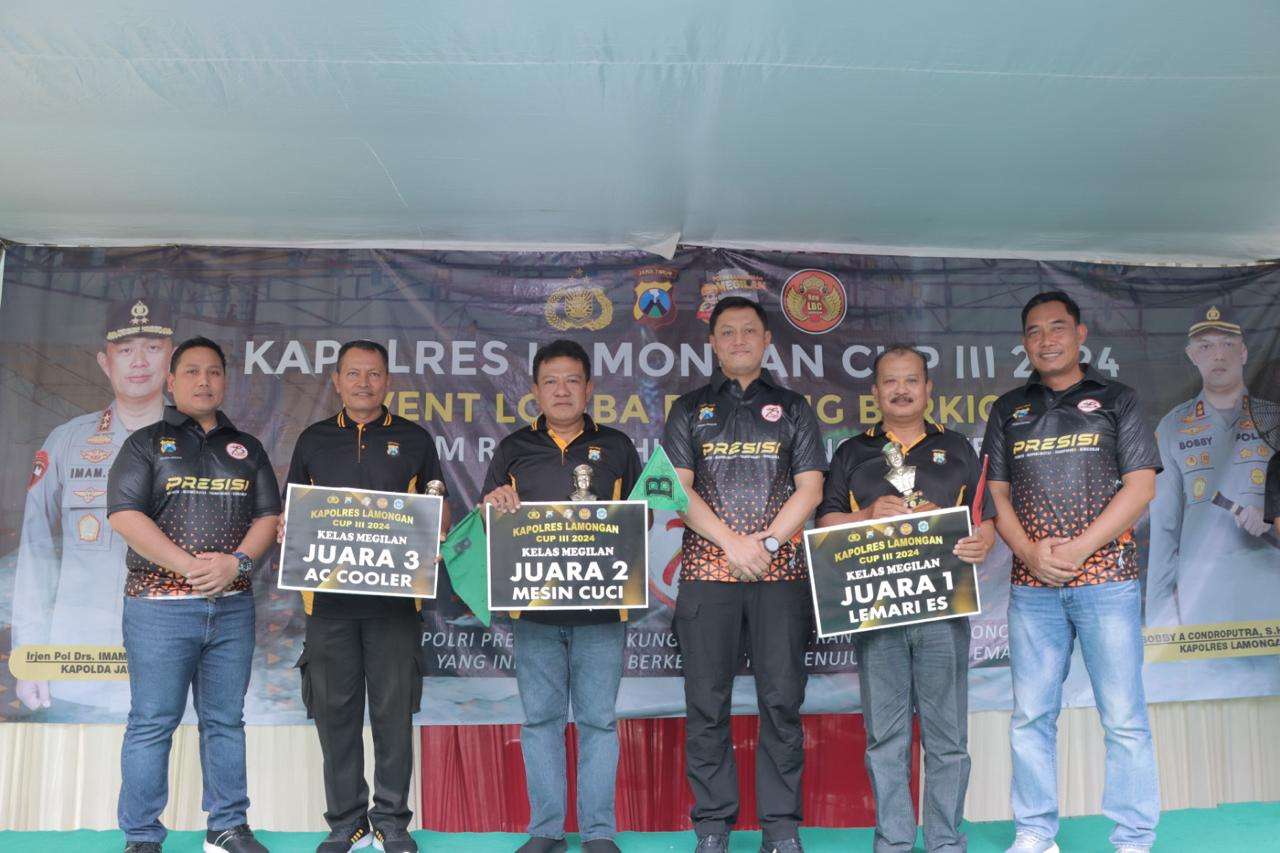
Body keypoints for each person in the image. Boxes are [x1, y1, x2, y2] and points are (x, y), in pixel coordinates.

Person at [980, 292, 1161, 853]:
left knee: (1123, 718)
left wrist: (1080, 548)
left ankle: (1133, 837)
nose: (1046, 339)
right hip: (1033, 589)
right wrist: (1030, 553)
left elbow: (1141, 487)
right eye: (1034, 331)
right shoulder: (1008, 408)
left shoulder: (1118, 399)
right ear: (1024, 343)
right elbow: (995, 495)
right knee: (1031, 716)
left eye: (1057, 327)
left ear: (1080, 334)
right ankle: (1035, 832)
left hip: (1108, 581)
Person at [661, 296, 825, 853]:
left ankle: (781, 829)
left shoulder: (794, 408)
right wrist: (732, 544)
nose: (738, 340)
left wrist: (769, 543)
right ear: (712, 343)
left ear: (766, 340)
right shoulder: (688, 409)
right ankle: (712, 826)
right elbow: (677, 490)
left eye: (749, 331)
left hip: (781, 579)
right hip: (709, 577)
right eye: (727, 332)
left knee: (782, 703)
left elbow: (811, 489)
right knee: (707, 705)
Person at [816, 344, 995, 853]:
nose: (901, 390)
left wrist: (982, 542)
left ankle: (945, 841)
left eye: (911, 380)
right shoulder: (852, 452)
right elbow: (825, 523)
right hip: (877, 612)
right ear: (875, 392)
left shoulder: (957, 447)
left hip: (943, 610)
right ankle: (893, 841)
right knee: (885, 739)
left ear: (928, 388)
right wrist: (865, 514)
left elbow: (984, 520)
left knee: (948, 738)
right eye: (890, 382)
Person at [107, 336, 280, 853]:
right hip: (158, 609)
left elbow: (268, 517)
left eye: (213, 372)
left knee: (225, 721)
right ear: (171, 381)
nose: (204, 381)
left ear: (225, 381)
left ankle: (227, 827)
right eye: (191, 372)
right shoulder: (145, 443)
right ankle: (142, 836)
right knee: (152, 722)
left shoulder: (247, 448)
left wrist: (237, 564)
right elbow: (124, 515)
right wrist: (188, 567)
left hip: (232, 608)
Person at [283, 340, 451, 853]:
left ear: (387, 381)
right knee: (334, 716)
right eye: (353, 373)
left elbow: (439, 510)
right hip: (328, 605)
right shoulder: (313, 440)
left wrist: (435, 525)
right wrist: (293, 525)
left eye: (373, 373)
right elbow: (293, 514)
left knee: (393, 716)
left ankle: (392, 821)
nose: (363, 383)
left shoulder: (415, 439)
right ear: (336, 381)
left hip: (395, 605)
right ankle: (346, 822)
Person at [482, 338, 643, 853]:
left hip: (602, 610)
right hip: (534, 612)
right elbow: (489, 521)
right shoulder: (513, 449)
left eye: (572, 380)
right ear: (535, 390)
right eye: (550, 381)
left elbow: (640, 521)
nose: (562, 390)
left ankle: (598, 832)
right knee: (541, 722)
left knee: (598, 722)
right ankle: (546, 830)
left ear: (589, 388)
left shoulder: (617, 446)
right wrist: (495, 503)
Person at [13, 297, 174, 716]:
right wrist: (30, 653)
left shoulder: (199, 441)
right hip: (82, 664)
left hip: (173, 662)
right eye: (125, 349)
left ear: (171, 357)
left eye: (152, 348)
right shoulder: (67, 441)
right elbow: (35, 551)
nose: (139, 361)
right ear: (105, 362)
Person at [1146, 306, 1279, 626]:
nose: (1218, 354)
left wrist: (1271, 518)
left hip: (1271, 589)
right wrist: (1160, 617)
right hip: (1204, 598)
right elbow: (1164, 529)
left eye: (1228, 344)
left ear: (1244, 352)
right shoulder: (1172, 427)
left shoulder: (1273, 420)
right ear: (1191, 355)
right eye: (1206, 346)